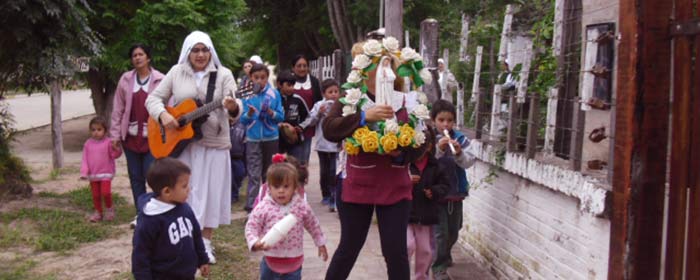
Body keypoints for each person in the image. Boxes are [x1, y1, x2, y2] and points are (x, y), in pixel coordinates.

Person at [322, 40, 425, 280]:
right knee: (350, 247)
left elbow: (423, 140)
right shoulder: (352, 97)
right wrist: (362, 117)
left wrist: (401, 152)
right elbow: (329, 129)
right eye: (366, 65)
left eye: (382, 65)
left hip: (395, 186)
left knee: (395, 252)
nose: (375, 71)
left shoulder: (405, 99)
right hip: (358, 182)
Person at [145, 30, 240, 264]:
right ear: (188, 52)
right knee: (185, 191)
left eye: (204, 50)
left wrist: (232, 107)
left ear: (211, 52)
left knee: (211, 192)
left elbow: (236, 108)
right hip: (184, 145)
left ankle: (205, 242)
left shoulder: (224, 75)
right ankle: (184, 240)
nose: (200, 55)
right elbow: (153, 99)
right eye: (195, 50)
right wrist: (164, 116)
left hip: (215, 143)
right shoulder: (177, 73)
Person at [245, 159, 328, 280]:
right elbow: (251, 226)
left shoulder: (300, 206)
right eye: (276, 186)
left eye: (286, 186)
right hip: (270, 261)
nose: (281, 190)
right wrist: (254, 242)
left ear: (295, 187)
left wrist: (320, 242)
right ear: (269, 187)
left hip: (294, 262)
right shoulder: (264, 207)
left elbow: (313, 224)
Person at [110, 44, 164, 228]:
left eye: (141, 54)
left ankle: (156, 211)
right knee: (135, 177)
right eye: (134, 55)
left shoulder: (160, 79)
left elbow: (168, 106)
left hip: (153, 137)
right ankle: (140, 213)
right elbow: (118, 109)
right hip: (131, 137)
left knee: (152, 175)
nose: (137, 58)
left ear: (148, 58)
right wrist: (115, 135)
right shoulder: (125, 79)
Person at [132, 157, 210, 279]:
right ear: (167, 191)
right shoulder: (149, 220)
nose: (188, 189)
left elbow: (196, 236)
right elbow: (141, 255)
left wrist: (202, 259)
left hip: (187, 274)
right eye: (184, 186)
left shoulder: (185, 208)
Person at [429, 99, 477, 280]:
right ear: (433, 120)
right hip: (436, 195)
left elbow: (469, 162)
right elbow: (425, 161)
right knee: (440, 234)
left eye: (449, 120)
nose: (445, 124)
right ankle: (438, 267)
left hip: (455, 193)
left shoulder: (461, 139)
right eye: (441, 120)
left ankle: (445, 255)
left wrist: (458, 153)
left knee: (454, 230)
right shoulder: (429, 138)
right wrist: (439, 149)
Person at [406, 127, 450, 280]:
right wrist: (407, 181)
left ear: (429, 146)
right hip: (406, 214)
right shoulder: (405, 165)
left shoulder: (435, 166)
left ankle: (421, 277)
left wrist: (434, 191)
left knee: (425, 251)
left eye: (421, 146)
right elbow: (391, 182)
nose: (417, 150)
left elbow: (445, 185)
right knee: (407, 245)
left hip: (426, 215)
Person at [240, 63, 285, 212]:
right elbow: (242, 120)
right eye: (256, 77)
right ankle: (251, 208)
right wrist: (249, 114)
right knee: (253, 173)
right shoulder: (247, 95)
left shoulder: (274, 94)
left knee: (269, 173)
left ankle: (270, 205)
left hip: (271, 137)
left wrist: (271, 113)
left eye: (263, 77)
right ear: (250, 78)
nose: (259, 81)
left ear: (267, 78)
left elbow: (280, 116)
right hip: (253, 138)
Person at [299, 79, 341, 210]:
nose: (333, 95)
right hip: (322, 144)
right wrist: (319, 113)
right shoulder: (319, 105)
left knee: (335, 171)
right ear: (324, 94)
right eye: (330, 92)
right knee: (324, 171)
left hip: (336, 144)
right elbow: (310, 121)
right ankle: (326, 194)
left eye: (336, 92)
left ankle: (334, 196)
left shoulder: (341, 105)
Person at [81, 116, 123, 222]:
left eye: (99, 129)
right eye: (93, 130)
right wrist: (84, 172)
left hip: (106, 173)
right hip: (93, 174)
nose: (96, 132)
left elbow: (115, 155)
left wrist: (117, 149)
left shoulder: (108, 142)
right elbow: (85, 159)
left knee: (105, 192)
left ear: (105, 130)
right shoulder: (88, 144)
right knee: (95, 195)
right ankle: (98, 212)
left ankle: (109, 209)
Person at [291, 55, 323, 164]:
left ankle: (302, 179)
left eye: (304, 66)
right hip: (292, 126)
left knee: (304, 159)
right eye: (299, 66)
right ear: (293, 68)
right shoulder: (288, 82)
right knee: (293, 159)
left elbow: (319, 101)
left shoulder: (314, 82)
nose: (302, 68)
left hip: (308, 124)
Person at [277, 70, 309, 160]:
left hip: (295, 140)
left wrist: (301, 126)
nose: (291, 88)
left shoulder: (298, 99)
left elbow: (307, 116)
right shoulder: (274, 99)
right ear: (279, 84)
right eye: (288, 85)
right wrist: (280, 125)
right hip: (277, 140)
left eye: (293, 85)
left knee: (295, 165)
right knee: (279, 165)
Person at [229, 104, 246, 204]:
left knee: (239, 174)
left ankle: (236, 192)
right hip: (228, 155)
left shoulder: (242, 124)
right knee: (230, 177)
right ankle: (232, 195)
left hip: (239, 156)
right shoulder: (226, 123)